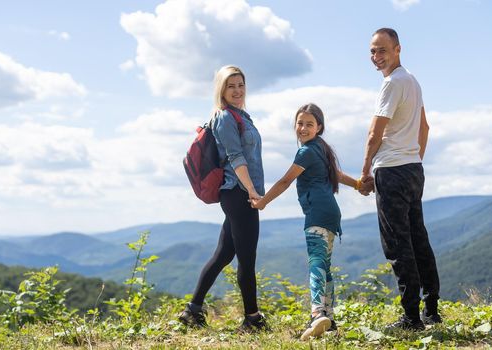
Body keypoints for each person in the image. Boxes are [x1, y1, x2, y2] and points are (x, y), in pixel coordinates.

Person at [251, 103, 373, 340]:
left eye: (309, 124)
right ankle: (329, 317)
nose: (303, 128)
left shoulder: (306, 152)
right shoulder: (320, 148)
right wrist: (358, 185)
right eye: (300, 123)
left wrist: (263, 201)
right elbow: (336, 175)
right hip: (330, 213)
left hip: (317, 213)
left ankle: (318, 314)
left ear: (319, 127)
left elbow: (286, 181)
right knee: (324, 264)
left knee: (316, 262)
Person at [361, 28, 441, 331]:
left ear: (397, 49)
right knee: (419, 238)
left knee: (398, 244)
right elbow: (425, 127)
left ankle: (410, 318)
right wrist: (415, 157)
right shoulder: (413, 81)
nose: (376, 57)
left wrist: (366, 170)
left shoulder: (393, 84)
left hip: (392, 171)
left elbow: (374, 133)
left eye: (382, 50)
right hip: (412, 169)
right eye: (372, 51)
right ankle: (431, 309)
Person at [178, 65, 268, 332]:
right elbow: (235, 158)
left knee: (222, 255)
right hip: (239, 194)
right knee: (247, 258)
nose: (238, 90)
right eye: (231, 86)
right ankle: (252, 319)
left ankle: (192, 310)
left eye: (241, 85)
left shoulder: (241, 116)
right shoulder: (225, 118)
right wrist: (252, 191)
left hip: (239, 194)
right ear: (221, 90)